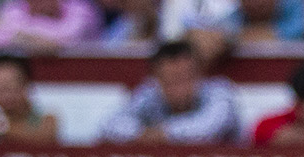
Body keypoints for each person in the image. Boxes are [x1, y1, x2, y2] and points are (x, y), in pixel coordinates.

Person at [100, 39, 242, 143]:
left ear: (200, 75)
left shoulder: (219, 92)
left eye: (185, 79)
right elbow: (110, 124)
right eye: (171, 80)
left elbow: (209, 128)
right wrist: (140, 133)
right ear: (157, 79)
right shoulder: (149, 93)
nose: (180, 88)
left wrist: (164, 133)